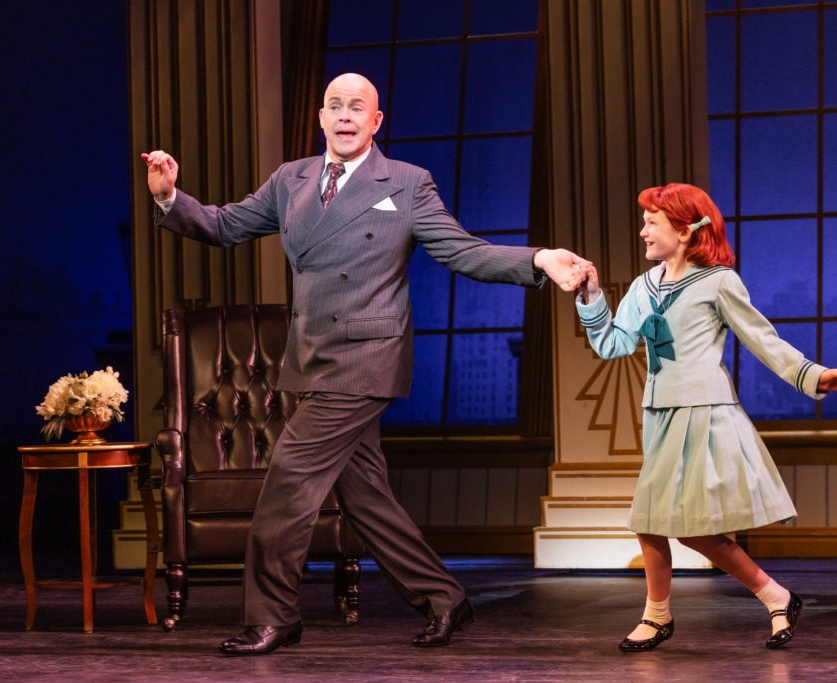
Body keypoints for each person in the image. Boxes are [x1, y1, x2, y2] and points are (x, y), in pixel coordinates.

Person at [142, 72, 588, 656]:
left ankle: (272, 616)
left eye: (358, 107)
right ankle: (444, 597)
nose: (345, 115)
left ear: (377, 123)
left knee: (288, 485)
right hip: (308, 359)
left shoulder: (405, 183)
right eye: (335, 106)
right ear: (321, 119)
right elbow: (226, 226)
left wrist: (538, 258)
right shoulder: (291, 180)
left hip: (366, 357)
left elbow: (461, 250)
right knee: (366, 497)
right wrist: (168, 197)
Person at [573, 183, 837, 652]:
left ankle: (668, 614)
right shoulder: (641, 287)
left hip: (703, 413)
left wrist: (812, 375)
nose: (643, 230)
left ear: (685, 231)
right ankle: (768, 597)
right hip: (659, 413)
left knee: (673, 523)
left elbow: (762, 340)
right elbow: (613, 345)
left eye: (653, 221)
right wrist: (590, 295)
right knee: (658, 521)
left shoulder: (718, 281)